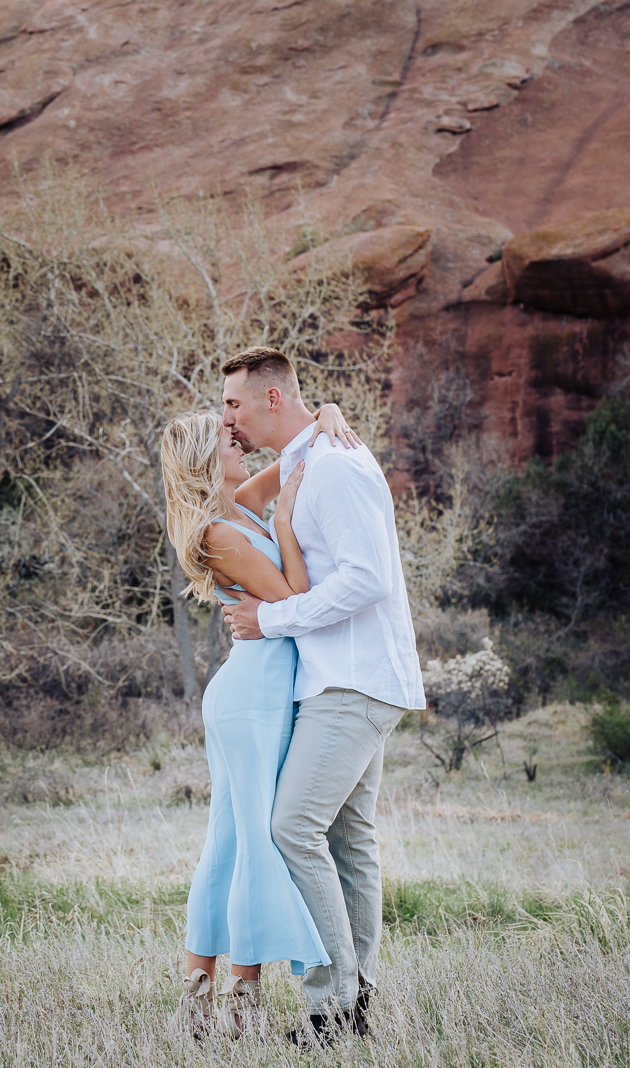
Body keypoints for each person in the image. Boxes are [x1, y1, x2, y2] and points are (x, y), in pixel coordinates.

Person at [217, 347, 426, 1048]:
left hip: (354, 679)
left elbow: (366, 580)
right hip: (345, 677)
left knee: (292, 828)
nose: (229, 418)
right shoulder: (315, 452)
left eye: (235, 404)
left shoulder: (333, 465)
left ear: (271, 399)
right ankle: (356, 1001)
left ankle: (330, 1006)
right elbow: (245, 495)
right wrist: (329, 413)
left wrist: (269, 619)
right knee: (347, 842)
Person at [160, 400, 360, 1039]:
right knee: (253, 844)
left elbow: (294, 453)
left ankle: (200, 1003)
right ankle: (237, 1002)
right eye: (226, 437)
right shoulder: (220, 533)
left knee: (228, 845)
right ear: (203, 459)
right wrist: (286, 525)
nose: (239, 438)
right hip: (252, 700)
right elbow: (296, 601)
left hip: (258, 692)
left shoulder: (237, 501)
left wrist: (325, 412)